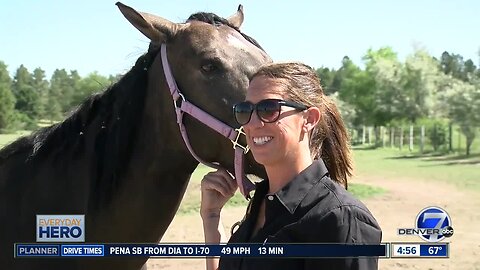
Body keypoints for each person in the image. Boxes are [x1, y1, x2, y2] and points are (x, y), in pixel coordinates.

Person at [200, 62, 382, 270]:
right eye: (245, 110)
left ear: (309, 119)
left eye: (268, 109)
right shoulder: (261, 205)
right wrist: (211, 217)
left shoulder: (340, 218)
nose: (252, 123)